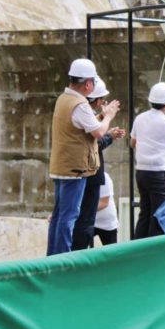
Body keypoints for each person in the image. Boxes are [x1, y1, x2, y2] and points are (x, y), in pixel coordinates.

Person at [47, 59, 120, 256]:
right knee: (69, 217)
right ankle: (61, 259)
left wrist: (100, 117)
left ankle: (52, 256)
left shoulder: (64, 99)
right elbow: (97, 133)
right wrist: (109, 116)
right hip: (75, 169)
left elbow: (80, 125)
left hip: (62, 166)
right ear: (88, 84)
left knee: (59, 215)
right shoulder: (79, 104)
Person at [71, 78, 125, 250]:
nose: (103, 102)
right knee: (84, 223)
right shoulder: (80, 109)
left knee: (82, 222)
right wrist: (108, 120)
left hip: (81, 173)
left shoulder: (77, 109)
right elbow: (93, 143)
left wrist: (105, 127)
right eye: (101, 99)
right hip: (89, 175)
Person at [130, 82, 165, 239]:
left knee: (145, 212)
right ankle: (156, 253)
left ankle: (137, 248)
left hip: (141, 172)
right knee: (159, 214)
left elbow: (132, 143)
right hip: (158, 173)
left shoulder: (140, 118)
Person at [94, 171, 119, 245]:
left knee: (112, 254)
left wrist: (82, 212)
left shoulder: (104, 176)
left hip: (107, 222)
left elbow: (104, 202)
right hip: (88, 221)